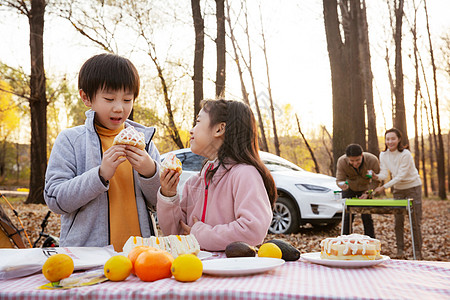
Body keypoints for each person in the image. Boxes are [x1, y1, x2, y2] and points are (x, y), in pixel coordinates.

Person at [44, 53, 161, 252]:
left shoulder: (145, 142)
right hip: (86, 258)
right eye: (109, 99)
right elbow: (55, 200)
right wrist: (100, 175)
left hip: (141, 257)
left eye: (127, 99)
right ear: (86, 97)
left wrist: (150, 172)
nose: (119, 108)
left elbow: (161, 202)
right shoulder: (71, 141)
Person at [157, 99, 277, 251]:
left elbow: (252, 231)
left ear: (220, 129)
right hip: (196, 270)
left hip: (234, 270)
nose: (191, 130)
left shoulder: (245, 174)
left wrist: (200, 234)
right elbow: (176, 233)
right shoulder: (194, 182)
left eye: (198, 122)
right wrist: (168, 196)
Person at [373, 128, 422, 259]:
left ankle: (417, 252)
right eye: (387, 139)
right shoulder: (383, 155)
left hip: (413, 187)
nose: (390, 141)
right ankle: (400, 250)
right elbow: (384, 173)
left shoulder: (405, 154)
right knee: (398, 221)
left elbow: (401, 175)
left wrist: (384, 187)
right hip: (398, 190)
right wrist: (376, 177)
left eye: (393, 138)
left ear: (399, 139)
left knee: (415, 221)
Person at [336, 144, 380, 238]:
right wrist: (342, 185)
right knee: (347, 216)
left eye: (357, 160)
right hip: (349, 189)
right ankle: (345, 241)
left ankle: (370, 241)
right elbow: (339, 180)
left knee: (366, 216)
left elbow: (377, 181)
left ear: (362, 156)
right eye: (352, 161)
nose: (355, 163)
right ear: (347, 158)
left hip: (365, 188)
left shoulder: (372, 160)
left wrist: (368, 193)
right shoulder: (341, 161)